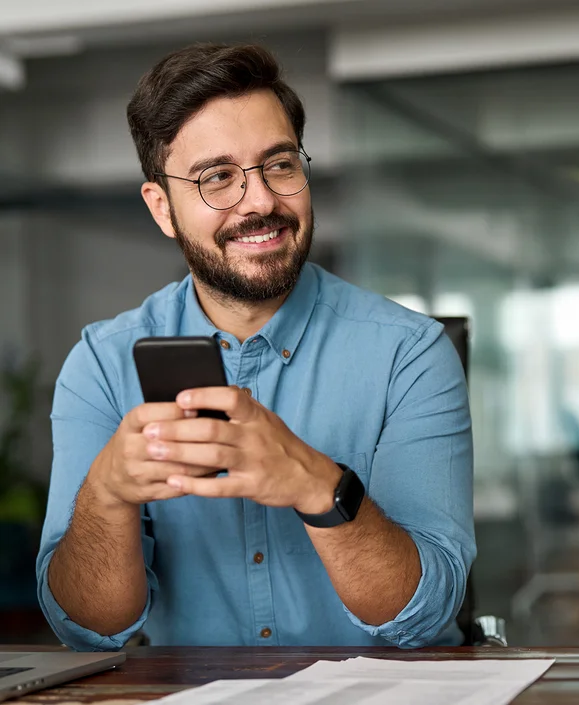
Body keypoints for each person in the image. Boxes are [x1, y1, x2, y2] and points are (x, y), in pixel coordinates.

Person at [36, 43, 475, 651]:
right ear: (162, 208)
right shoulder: (102, 367)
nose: (262, 201)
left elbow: (425, 615)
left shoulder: (412, 354)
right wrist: (106, 495)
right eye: (218, 178)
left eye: (281, 165)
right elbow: (88, 629)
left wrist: (315, 484)